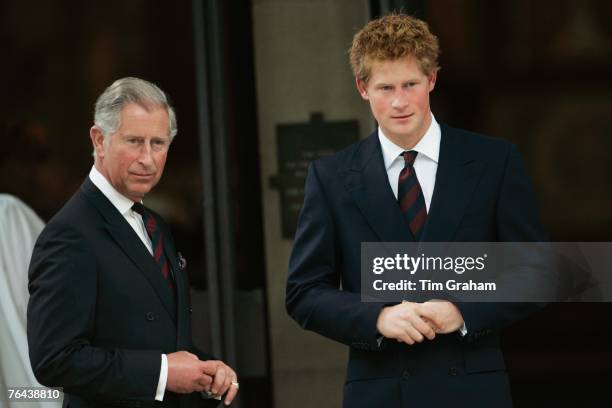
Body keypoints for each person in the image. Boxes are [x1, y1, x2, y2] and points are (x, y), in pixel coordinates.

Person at [286, 14, 546, 407]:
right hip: (382, 390)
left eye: (410, 84)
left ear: (432, 80)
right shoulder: (331, 177)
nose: (399, 101)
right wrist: (376, 318)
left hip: (473, 389)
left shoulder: (494, 161)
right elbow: (304, 291)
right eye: (385, 87)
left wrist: (462, 311)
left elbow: (537, 270)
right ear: (362, 88)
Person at [27, 77, 238, 407]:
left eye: (159, 143)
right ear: (99, 140)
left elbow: (159, 336)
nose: (148, 159)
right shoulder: (69, 234)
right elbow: (54, 359)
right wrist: (164, 372)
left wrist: (205, 369)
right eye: (134, 141)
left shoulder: (155, 224)